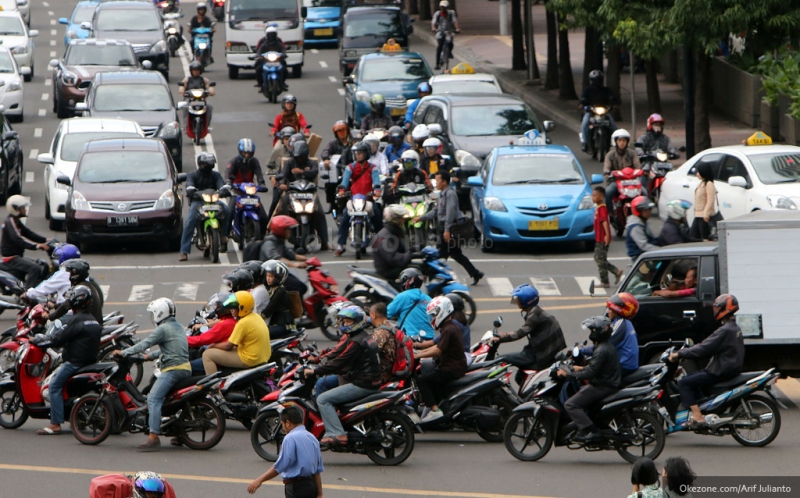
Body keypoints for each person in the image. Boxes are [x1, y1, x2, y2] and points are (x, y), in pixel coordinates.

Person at [116, 298, 190, 451]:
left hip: (173, 370)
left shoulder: (162, 329)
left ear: (159, 313)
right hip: (185, 368)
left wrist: (123, 352)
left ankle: (153, 437)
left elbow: (144, 344)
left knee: (153, 398)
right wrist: (147, 357)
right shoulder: (177, 327)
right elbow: (169, 349)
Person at [303, 305, 382, 446]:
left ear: (357, 321)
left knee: (322, 399)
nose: (345, 325)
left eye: (348, 322)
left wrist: (315, 371)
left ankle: (337, 433)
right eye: (344, 322)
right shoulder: (361, 336)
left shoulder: (356, 342)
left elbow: (339, 362)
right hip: (367, 380)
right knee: (324, 383)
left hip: (362, 383)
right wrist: (319, 361)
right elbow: (337, 354)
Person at [33, 286, 101, 436]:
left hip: (75, 363)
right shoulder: (93, 320)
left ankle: (55, 423)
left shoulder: (76, 320)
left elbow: (59, 338)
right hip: (90, 361)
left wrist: (40, 340)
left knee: (54, 387)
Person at [668, 294, 744, 426]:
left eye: (717, 308)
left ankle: (698, 417)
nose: (714, 311)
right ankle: (703, 408)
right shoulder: (734, 327)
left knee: (684, 383)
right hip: (729, 367)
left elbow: (704, 348)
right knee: (694, 378)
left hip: (720, 370)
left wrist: (680, 354)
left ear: (724, 309)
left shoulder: (724, 330)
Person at [558, 316, 621, 442]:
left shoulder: (601, 350)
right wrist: (579, 368)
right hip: (607, 383)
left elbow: (590, 373)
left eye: (593, 331)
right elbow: (595, 366)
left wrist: (569, 374)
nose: (591, 334)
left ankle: (590, 430)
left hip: (602, 386)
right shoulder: (606, 346)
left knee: (570, 404)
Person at [490, 284, 566, 384]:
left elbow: (520, 333)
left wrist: (500, 339)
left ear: (526, 300)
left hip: (540, 355)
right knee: (519, 377)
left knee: (501, 359)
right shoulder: (536, 311)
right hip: (540, 351)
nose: (516, 301)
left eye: (518, 299)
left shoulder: (535, 314)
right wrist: (504, 335)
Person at [416, 171, 483, 285]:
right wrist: (421, 218)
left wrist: (447, 230)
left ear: (444, 182)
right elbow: (436, 211)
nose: (435, 183)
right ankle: (475, 273)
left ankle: (432, 278)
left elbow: (450, 213)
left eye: (437, 181)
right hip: (444, 227)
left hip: (449, 228)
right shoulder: (442, 194)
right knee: (455, 254)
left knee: (439, 255)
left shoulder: (450, 194)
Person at [247, 405, 324, 498]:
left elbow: (280, 465)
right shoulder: (312, 438)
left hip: (296, 487)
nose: (283, 429)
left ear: (288, 423)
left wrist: (259, 480)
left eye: (282, 425)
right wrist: (320, 494)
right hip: (312, 486)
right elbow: (317, 470)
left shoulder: (290, 438)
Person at [415, 296, 467, 421]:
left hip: (451, 368)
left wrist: (417, 355)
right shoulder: (449, 327)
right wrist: (418, 351)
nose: (433, 318)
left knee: (422, 380)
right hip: (453, 366)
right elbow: (437, 346)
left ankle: (434, 410)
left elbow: (438, 349)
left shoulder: (449, 329)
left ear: (442, 312)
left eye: (434, 315)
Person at [276, 140, 329, 250]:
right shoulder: (290, 163)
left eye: (301, 157)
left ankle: (324, 242)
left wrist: (302, 172)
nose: (299, 159)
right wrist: (282, 184)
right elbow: (284, 175)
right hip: (293, 193)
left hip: (309, 194)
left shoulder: (312, 163)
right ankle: (276, 238)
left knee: (319, 213)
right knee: (281, 209)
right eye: (297, 157)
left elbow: (314, 172)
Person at [202, 291, 272, 374]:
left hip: (250, 359)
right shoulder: (255, 316)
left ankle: (213, 385)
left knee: (207, 355)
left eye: (233, 308)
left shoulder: (243, 323)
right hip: (261, 356)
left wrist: (213, 345)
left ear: (241, 308)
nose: (231, 310)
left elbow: (228, 345)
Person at [179, 153, 230, 261]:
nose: (210, 166)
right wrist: (191, 190)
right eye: (208, 164)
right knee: (189, 221)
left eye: (211, 164)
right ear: (201, 165)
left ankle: (224, 236)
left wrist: (223, 190)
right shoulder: (193, 175)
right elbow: (189, 185)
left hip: (213, 202)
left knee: (227, 210)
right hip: (198, 202)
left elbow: (221, 184)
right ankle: (184, 250)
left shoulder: (215, 175)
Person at [335, 141, 381, 256]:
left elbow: (377, 182)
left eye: (360, 153)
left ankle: (382, 244)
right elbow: (345, 182)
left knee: (377, 217)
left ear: (366, 154)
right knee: (345, 217)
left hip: (368, 199)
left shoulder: (373, 168)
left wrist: (377, 191)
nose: (357, 155)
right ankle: (340, 245)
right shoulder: (350, 168)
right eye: (356, 153)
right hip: (354, 199)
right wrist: (342, 191)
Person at [583, 293, 639, 377]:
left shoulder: (621, 324)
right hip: (626, 363)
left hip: (624, 366)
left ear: (618, 310)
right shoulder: (625, 323)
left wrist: (582, 350)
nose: (608, 311)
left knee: (594, 376)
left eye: (610, 309)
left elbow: (603, 346)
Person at [0, 195, 51, 289]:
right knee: (34, 268)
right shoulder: (10, 222)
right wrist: (37, 246)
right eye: (22, 208)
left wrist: (46, 240)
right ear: (15, 209)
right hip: (11, 258)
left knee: (42, 264)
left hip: (17, 256)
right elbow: (18, 239)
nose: (25, 210)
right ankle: (28, 294)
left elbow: (28, 233)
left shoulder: (16, 221)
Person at [226, 138, 268, 236]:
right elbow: (227, 173)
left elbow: (259, 174)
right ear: (240, 151)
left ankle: (262, 237)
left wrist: (261, 184)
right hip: (236, 192)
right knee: (229, 213)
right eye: (244, 153)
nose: (247, 155)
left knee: (264, 217)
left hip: (250, 193)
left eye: (249, 153)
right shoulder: (234, 161)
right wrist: (228, 182)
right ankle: (224, 238)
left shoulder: (254, 162)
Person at [187, 292, 237, 375]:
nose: (214, 309)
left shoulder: (224, 325)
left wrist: (182, 339)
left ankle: (211, 385)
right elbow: (219, 321)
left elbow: (201, 339)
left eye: (216, 306)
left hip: (223, 356)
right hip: (229, 352)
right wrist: (204, 325)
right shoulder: (232, 319)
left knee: (187, 367)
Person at [259, 216, 308, 296]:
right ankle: (295, 308)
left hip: (278, 274)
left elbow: (291, 255)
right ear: (280, 230)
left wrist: (308, 260)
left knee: (302, 286)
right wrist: (296, 265)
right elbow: (278, 260)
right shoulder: (269, 244)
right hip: (269, 276)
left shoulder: (279, 241)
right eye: (288, 229)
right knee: (298, 287)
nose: (290, 232)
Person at [47, 259, 104, 324]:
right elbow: (72, 302)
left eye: (70, 273)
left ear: (76, 274)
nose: (69, 276)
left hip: (88, 325)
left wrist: (49, 317)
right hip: (91, 322)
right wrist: (54, 306)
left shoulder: (80, 289)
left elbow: (66, 306)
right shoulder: (87, 285)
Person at [387, 267, 435, 340]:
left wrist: (368, 319)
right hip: (429, 339)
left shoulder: (403, 296)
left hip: (411, 340)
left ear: (407, 281)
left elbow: (386, 314)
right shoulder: (428, 299)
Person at [372, 205, 415, 283]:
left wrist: (417, 250)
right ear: (396, 220)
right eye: (402, 218)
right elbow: (393, 258)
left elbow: (402, 250)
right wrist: (410, 254)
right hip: (387, 270)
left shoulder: (395, 232)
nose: (403, 221)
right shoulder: (384, 236)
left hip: (394, 266)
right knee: (416, 271)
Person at [591, 186, 623, 288]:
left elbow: (605, 222)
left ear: (601, 197)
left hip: (602, 238)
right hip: (598, 238)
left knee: (600, 259)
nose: (593, 197)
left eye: (595, 195)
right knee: (598, 258)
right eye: (592, 195)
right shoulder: (598, 208)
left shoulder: (602, 209)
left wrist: (607, 235)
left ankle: (607, 280)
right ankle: (615, 272)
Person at [579, 70, 618, 153]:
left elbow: (611, 97)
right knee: (584, 123)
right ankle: (585, 143)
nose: (597, 82)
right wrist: (582, 104)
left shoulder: (606, 90)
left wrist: (614, 104)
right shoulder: (587, 90)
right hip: (591, 111)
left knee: (613, 125)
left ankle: (616, 143)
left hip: (604, 111)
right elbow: (583, 99)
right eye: (595, 80)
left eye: (598, 80)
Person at [603, 129, 642, 209]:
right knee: (608, 192)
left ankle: (641, 214)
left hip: (631, 182)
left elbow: (638, 166)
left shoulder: (632, 153)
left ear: (627, 142)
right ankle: (610, 213)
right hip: (616, 181)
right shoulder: (610, 155)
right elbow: (606, 167)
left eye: (624, 140)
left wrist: (641, 171)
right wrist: (607, 172)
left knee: (644, 192)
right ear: (615, 142)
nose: (622, 143)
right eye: (619, 140)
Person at [321, 121, 354, 214]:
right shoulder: (333, 143)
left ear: (347, 131)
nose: (342, 133)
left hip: (353, 169)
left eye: (343, 130)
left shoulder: (354, 142)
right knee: (329, 183)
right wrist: (326, 159)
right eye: (339, 131)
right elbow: (325, 151)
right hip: (338, 171)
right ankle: (332, 203)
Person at [261, 260, 297, 339]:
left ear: (279, 277)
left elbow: (270, 308)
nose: (268, 278)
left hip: (283, 325)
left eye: (271, 276)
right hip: (275, 323)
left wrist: (258, 317)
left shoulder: (280, 291)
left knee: (259, 334)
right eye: (267, 276)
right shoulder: (272, 288)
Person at [253, 24, 288, 91]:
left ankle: (282, 82)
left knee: (284, 68)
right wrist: (259, 56)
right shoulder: (263, 43)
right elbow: (259, 51)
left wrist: (283, 55)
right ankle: (260, 83)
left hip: (277, 60)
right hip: (265, 60)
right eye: (270, 35)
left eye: (273, 34)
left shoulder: (279, 43)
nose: (271, 36)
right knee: (258, 68)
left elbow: (283, 49)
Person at [369, 302, 397, 384]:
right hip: (390, 369)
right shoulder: (391, 326)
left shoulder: (380, 333)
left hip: (382, 375)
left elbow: (368, 352)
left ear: (374, 315)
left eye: (370, 315)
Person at [625, 196, 659, 261]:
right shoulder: (635, 227)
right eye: (646, 210)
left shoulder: (642, 222)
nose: (648, 212)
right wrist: (661, 250)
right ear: (638, 211)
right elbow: (644, 246)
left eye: (649, 210)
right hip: (640, 258)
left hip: (646, 254)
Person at [689, 161, 717, 240]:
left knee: (704, 236)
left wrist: (706, 213)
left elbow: (710, 200)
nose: (697, 173)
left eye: (699, 172)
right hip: (698, 214)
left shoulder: (709, 184)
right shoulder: (701, 184)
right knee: (693, 235)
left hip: (704, 216)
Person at [180, 61, 215, 125]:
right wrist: (182, 90)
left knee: (209, 106)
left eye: (197, 70)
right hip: (190, 99)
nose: (196, 71)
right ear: (191, 71)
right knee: (185, 107)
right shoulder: (187, 79)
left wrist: (211, 91)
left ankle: (207, 125)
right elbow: (182, 85)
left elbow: (209, 86)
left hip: (201, 99)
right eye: (194, 70)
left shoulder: (204, 80)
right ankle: (186, 126)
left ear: (200, 71)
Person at [431, 0, 460, 70]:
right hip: (440, 31)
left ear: (447, 7)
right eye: (442, 7)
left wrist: (457, 28)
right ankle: (437, 63)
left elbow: (454, 21)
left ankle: (449, 52)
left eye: (445, 7)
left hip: (449, 31)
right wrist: (434, 28)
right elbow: (433, 22)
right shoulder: (437, 14)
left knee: (450, 43)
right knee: (439, 47)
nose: (443, 9)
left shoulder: (451, 13)